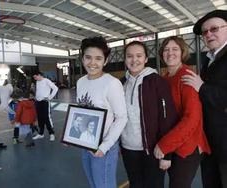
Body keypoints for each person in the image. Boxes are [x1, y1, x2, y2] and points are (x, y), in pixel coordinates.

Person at [154, 36, 211, 188]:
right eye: (166, 49)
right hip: (171, 146)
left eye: (174, 49)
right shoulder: (164, 79)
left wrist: (165, 145)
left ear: (182, 52)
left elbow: (192, 118)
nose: (170, 53)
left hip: (186, 147)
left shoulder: (186, 76)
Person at [120, 41, 177, 188]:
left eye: (139, 55)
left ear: (146, 59)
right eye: (130, 56)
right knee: (136, 185)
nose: (134, 60)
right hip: (128, 149)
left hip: (154, 150)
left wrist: (167, 153)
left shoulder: (157, 82)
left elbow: (167, 119)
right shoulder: (121, 83)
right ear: (125, 59)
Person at [182, 10, 227, 188]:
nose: (209, 34)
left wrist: (201, 87)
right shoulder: (208, 60)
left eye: (214, 28)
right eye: (205, 32)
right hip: (210, 144)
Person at [76, 36, 127, 188]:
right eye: (88, 57)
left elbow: (122, 117)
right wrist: (71, 134)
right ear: (82, 58)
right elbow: (81, 110)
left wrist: (104, 146)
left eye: (98, 58)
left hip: (104, 147)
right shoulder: (81, 81)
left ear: (105, 61)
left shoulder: (112, 83)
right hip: (86, 143)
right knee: (94, 184)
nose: (92, 63)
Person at [32, 71, 58, 141]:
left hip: (45, 102)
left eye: (35, 77)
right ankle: (41, 134)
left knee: (47, 118)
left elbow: (55, 88)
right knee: (40, 118)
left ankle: (51, 134)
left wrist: (49, 97)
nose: (35, 78)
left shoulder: (46, 81)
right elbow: (39, 91)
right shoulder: (37, 82)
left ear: (39, 75)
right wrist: (36, 98)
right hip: (38, 102)